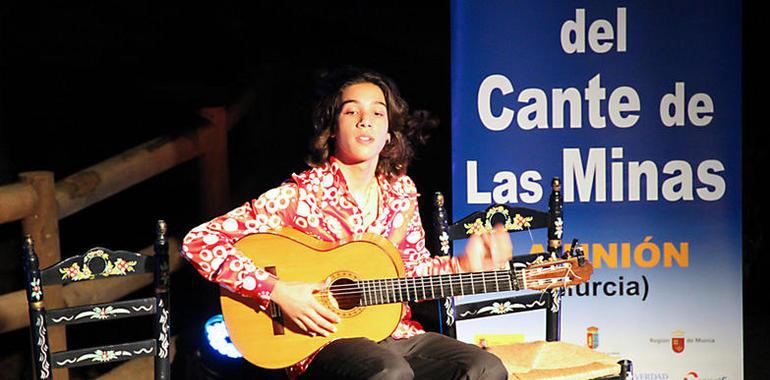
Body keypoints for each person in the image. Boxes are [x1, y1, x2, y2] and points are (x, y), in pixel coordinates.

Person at [182, 67, 511, 380]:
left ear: (389, 135)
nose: (366, 121)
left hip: (392, 333)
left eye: (378, 113)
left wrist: (464, 266)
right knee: (390, 372)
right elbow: (199, 241)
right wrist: (278, 292)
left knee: (484, 367)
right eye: (352, 112)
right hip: (323, 339)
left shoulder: (402, 195)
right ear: (333, 129)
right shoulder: (301, 196)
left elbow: (411, 275)